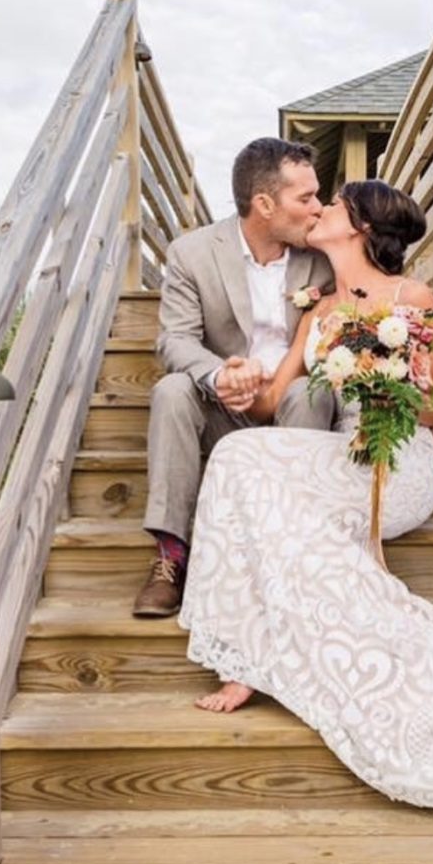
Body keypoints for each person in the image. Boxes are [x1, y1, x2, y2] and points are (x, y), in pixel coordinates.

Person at [177, 179, 433, 814]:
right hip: (345, 453)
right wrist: (239, 384)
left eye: (335, 204)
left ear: (359, 227)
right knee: (239, 455)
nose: (321, 209)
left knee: (264, 485)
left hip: (396, 461)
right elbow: (270, 403)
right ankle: (243, 653)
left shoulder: (412, 297)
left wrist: (391, 385)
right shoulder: (318, 311)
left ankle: (281, 654)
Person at [133, 138, 335, 617]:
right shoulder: (192, 253)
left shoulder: (322, 255)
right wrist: (219, 372)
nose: (318, 208)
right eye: (305, 198)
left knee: (311, 389)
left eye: (317, 195)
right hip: (224, 410)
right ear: (264, 204)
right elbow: (175, 340)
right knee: (172, 388)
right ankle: (171, 558)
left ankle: (290, 550)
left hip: (294, 405)